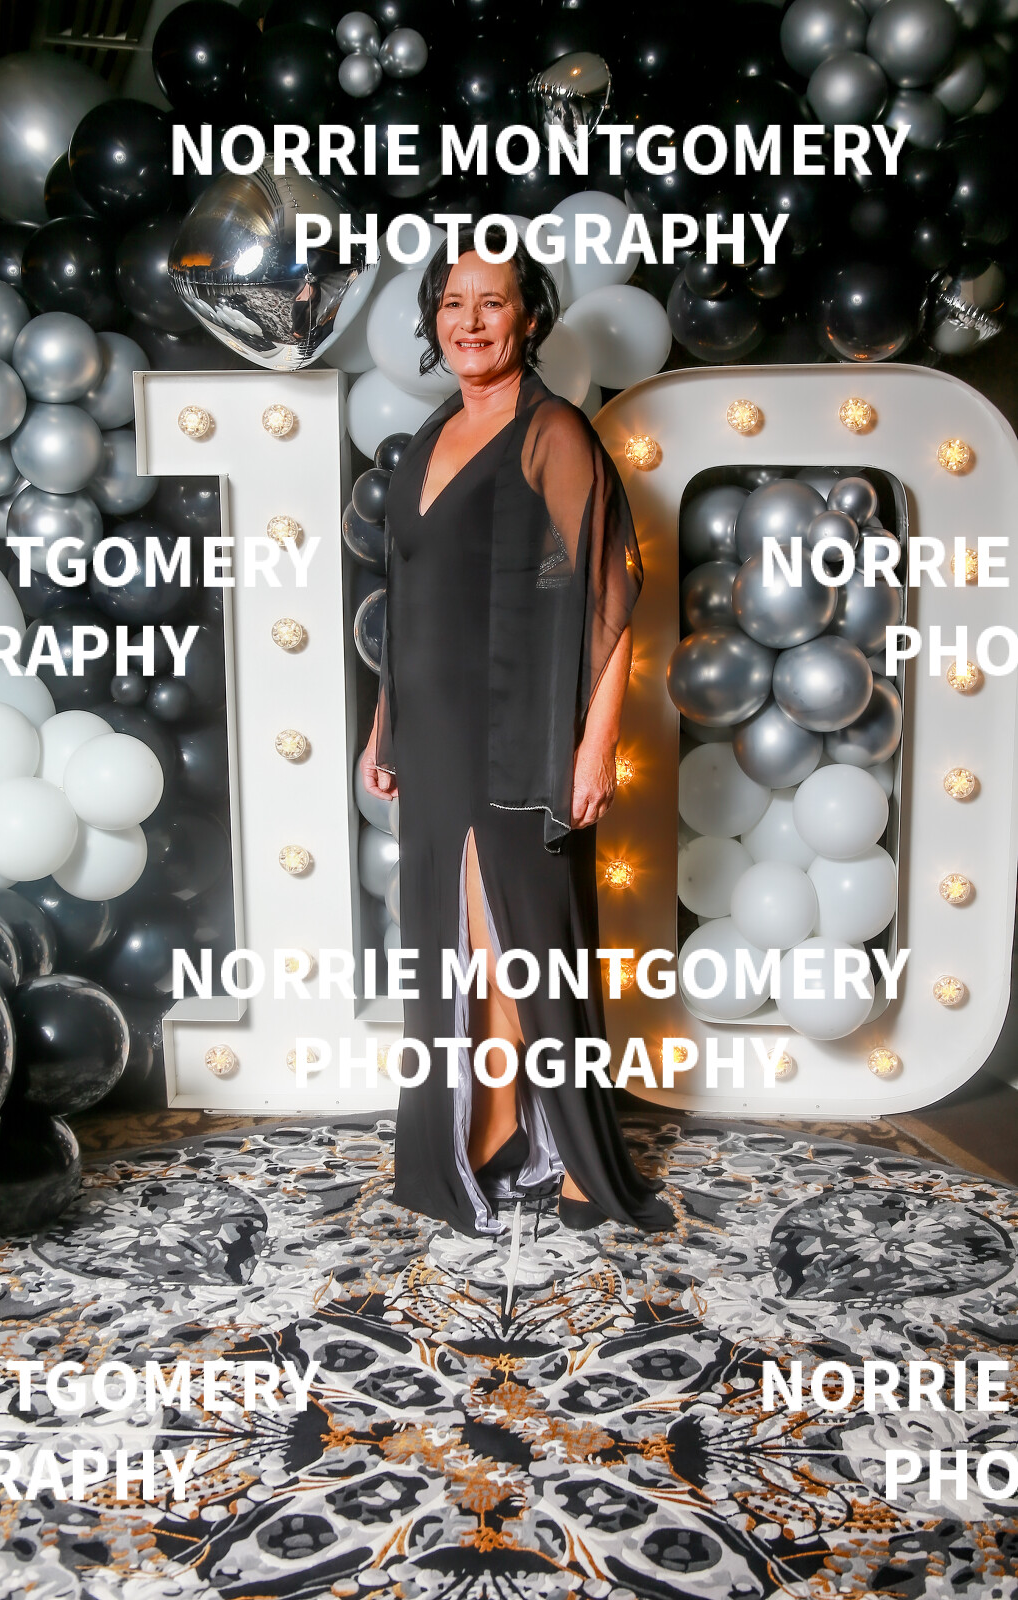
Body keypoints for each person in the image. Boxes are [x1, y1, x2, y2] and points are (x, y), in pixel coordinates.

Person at [360, 225, 673, 1239]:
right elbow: (406, 599)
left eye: (489, 301)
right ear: (433, 321)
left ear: (528, 317)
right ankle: (491, 1126)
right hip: (432, 731)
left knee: (519, 942)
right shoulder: (428, 436)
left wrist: (594, 746)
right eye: (452, 304)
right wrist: (383, 724)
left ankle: (571, 1156)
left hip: (515, 733)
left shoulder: (552, 433)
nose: (469, 322)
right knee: (458, 946)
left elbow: (609, 594)